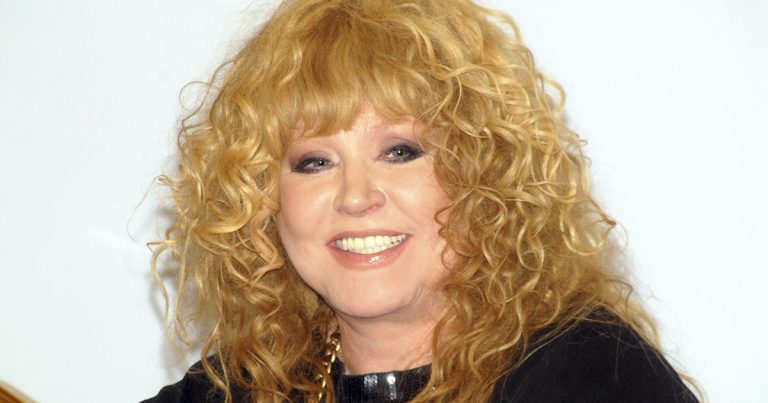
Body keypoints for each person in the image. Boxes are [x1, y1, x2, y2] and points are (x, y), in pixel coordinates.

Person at [145, 0, 700, 402]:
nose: (355, 197)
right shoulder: (245, 385)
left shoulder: (592, 375)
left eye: (399, 151)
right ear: (263, 200)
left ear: (483, 176)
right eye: (315, 162)